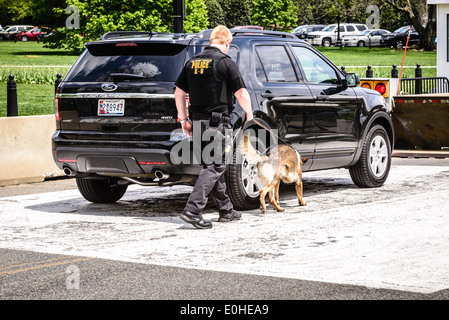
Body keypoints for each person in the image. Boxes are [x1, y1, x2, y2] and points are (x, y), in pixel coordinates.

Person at [174, 25, 253, 229]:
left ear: (211, 41)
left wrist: (184, 120)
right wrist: (250, 114)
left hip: (198, 122)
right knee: (216, 166)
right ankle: (192, 210)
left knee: (210, 165)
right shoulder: (225, 62)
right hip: (217, 122)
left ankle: (225, 210)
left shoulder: (192, 63)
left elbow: (179, 93)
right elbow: (241, 93)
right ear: (227, 43)